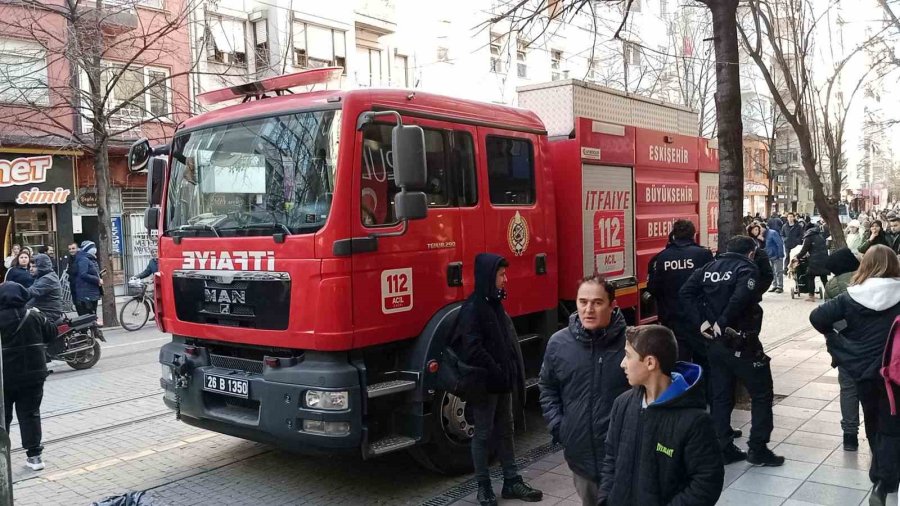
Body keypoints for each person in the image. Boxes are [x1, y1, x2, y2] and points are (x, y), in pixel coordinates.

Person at [681, 236, 784, 466]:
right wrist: (722, 321)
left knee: (720, 396)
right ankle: (757, 448)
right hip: (741, 342)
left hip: (715, 345)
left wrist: (703, 322)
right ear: (750, 253)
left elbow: (685, 292)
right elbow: (742, 296)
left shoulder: (709, 267)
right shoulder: (746, 268)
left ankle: (723, 446)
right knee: (761, 394)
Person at [809, 245, 900, 506]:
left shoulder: (850, 297)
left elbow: (817, 317)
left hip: (864, 371)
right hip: (895, 372)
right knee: (893, 424)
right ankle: (886, 479)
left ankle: (880, 476)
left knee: (872, 421)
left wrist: (840, 340)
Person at [598, 325, 724, 506]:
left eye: (628, 355)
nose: (622, 363)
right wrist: (605, 500)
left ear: (650, 362)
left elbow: (707, 481)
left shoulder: (695, 421)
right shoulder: (622, 404)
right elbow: (610, 458)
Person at [454, 253, 542, 506]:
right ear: (487, 276)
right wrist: (496, 369)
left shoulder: (493, 303)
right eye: (501, 275)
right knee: (482, 435)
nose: (506, 279)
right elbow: (472, 348)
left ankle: (512, 481)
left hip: (501, 382)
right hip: (485, 385)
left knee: (506, 431)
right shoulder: (473, 308)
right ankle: (484, 488)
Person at [539, 275, 629, 506]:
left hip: (624, 459)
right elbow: (548, 386)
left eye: (597, 302)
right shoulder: (559, 343)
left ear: (612, 305)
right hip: (582, 458)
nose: (588, 309)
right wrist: (560, 427)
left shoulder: (631, 344)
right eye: (582, 302)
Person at [0, 282, 58, 471]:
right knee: (30, 414)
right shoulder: (34, 314)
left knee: (2, 417)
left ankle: (2, 458)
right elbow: (52, 334)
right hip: (34, 376)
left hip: (5, 378)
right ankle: (35, 457)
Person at [646, 220, 713, 361]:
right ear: (693, 234)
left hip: (672, 319)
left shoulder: (661, 257)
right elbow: (711, 287)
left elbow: (653, 288)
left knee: (679, 361)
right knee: (703, 360)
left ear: (673, 235)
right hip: (699, 319)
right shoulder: (703, 254)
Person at [823, 247, 863, 452]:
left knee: (848, 390)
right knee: (874, 389)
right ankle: (876, 431)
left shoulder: (832, 285)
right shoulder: (867, 279)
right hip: (873, 344)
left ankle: (850, 436)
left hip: (846, 344)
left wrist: (838, 340)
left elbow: (825, 317)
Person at [26, 254, 64, 323]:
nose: (30, 269)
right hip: (44, 310)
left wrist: (16, 290)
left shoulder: (48, 278)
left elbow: (32, 291)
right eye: (30, 266)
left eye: (34, 266)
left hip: (49, 314)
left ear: (42, 267)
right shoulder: (42, 276)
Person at [797, 222, 829, 302]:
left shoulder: (809, 236)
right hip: (824, 259)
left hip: (814, 260)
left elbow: (804, 250)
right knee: (824, 278)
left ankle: (811, 296)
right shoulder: (820, 235)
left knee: (810, 276)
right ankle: (829, 294)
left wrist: (797, 257)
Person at [71, 241, 101, 316]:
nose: (95, 249)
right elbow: (83, 274)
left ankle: (92, 327)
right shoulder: (84, 259)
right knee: (89, 316)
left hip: (90, 291)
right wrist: (97, 279)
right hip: (87, 292)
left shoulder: (89, 258)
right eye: (92, 247)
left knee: (91, 316)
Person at [765, 222, 786, 293]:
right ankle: (774, 285)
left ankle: (780, 286)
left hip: (776, 255)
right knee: (772, 271)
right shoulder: (762, 235)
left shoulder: (772, 233)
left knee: (778, 271)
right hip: (769, 255)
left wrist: (780, 255)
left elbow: (779, 243)